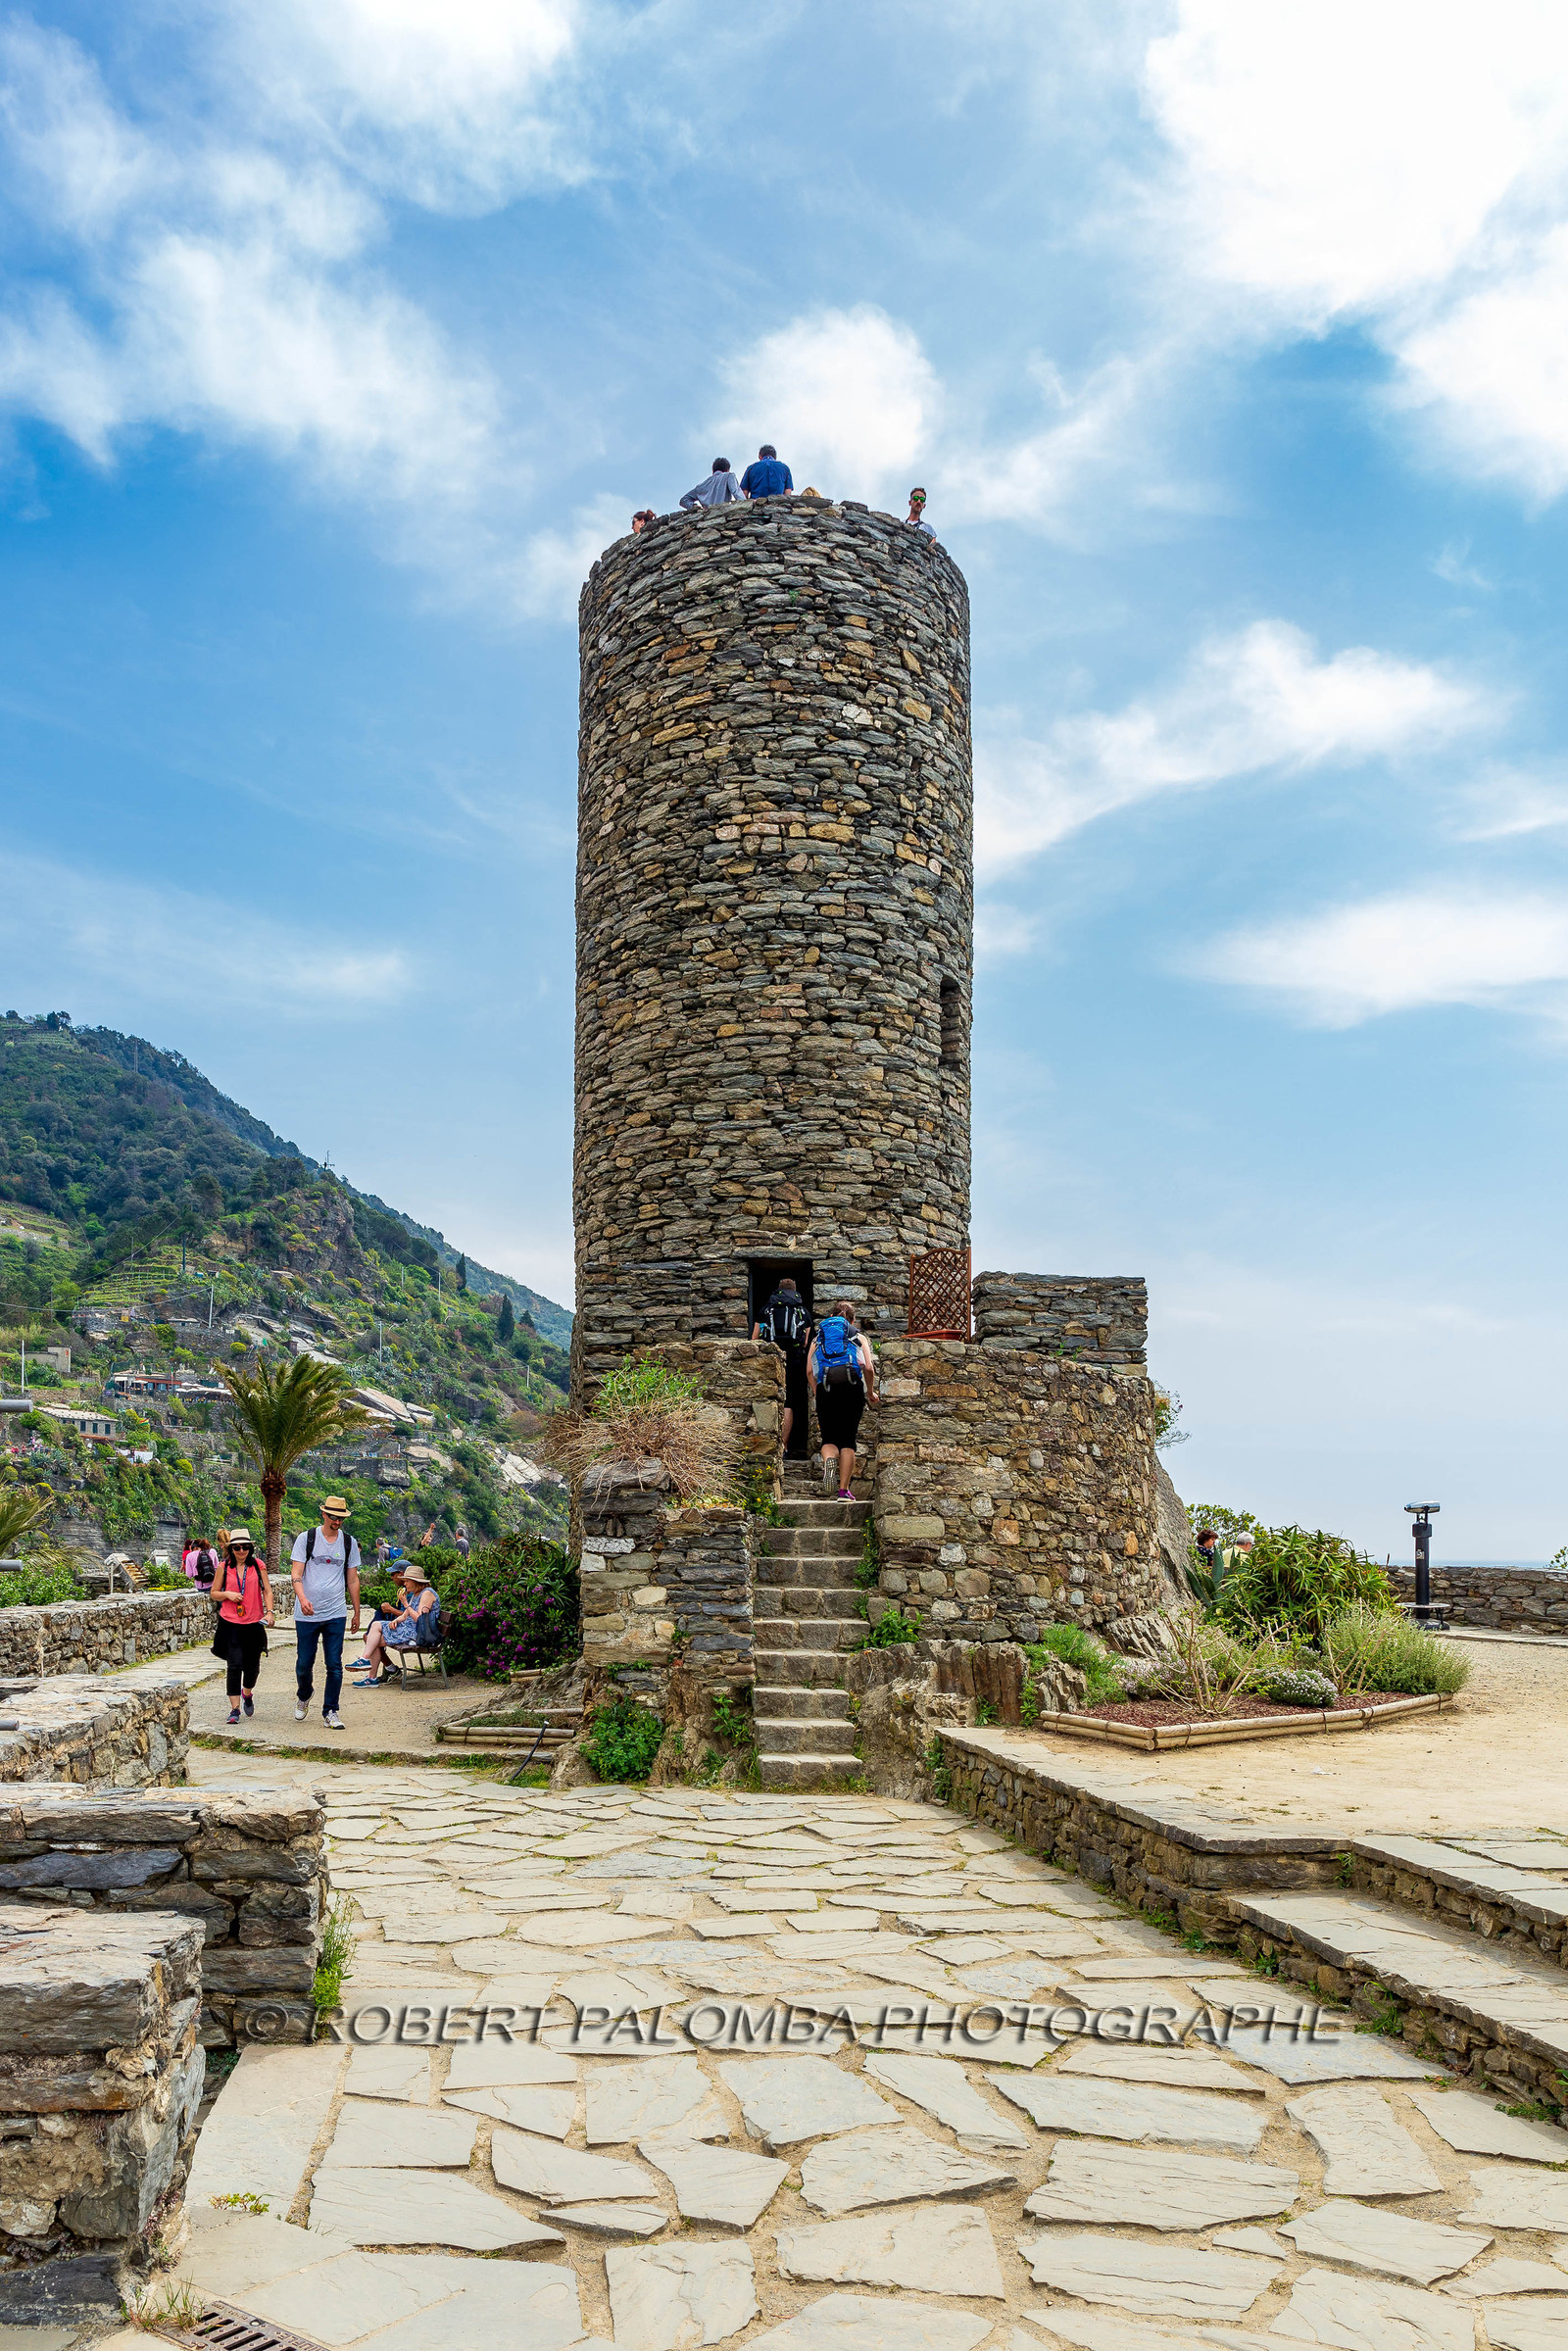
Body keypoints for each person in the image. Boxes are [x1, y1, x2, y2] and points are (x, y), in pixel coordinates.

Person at [290, 1494, 362, 1732]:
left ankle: (331, 1710)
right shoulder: (306, 1538)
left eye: (341, 1518)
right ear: (324, 1514)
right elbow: (296, 1574)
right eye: (333, 1517)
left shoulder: (348, 1542)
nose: (337, 1522)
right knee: (304, 1663)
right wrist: (302, 1598)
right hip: (307, 1613)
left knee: (334, 1664)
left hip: (335, 1612)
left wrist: (356, 1612)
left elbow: (352, 1579)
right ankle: (304, 1693)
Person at [808, 1300, 878, 1500]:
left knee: (829, 1438)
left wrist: (817, 1392)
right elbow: (869, 1369)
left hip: (825, 1389)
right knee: (848, 1439)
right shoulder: (858, 1336)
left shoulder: (817, 1339)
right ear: (852, 1320)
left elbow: (809, 1371)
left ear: (832, 1317)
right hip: (852, 1389)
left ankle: (830, 1460)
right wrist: (870, 1392)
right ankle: (843, 1491)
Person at [213, 1527, 270, 1725]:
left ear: (250, 1548)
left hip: (253, 1623)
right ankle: (234, 1709)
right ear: (231, 1549)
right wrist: (227, 1594)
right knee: (234, 1665)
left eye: (245, 1547)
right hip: (231, 1623)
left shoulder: (258, 1566)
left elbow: (267, 1591)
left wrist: (269, 1612)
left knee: (252, 1667)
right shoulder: (223, 1567)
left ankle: (247, 1693)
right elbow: (214, 1593)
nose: (241, 1551)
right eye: (237, 1548)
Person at [352, 1564, 441, 1685]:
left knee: (371, 1640)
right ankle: (365, 1660)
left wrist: (405, 1604)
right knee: (376, 1625)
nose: (405, 1584)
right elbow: (405, 1615)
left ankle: (371, 1676)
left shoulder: (427, 1593)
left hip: (415, 1633)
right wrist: (396, 1620)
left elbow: (420, 1620)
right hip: (407, 1628)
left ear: (415, 1581)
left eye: (407, 1581)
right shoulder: (416, 1594)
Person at [753, 1278, 811, 1460]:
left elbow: (754, 1339)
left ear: (778, 1290)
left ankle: (766, 1445)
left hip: (769, 1359)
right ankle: (784, 1447)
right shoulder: (803, 1311)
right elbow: (805, 1342)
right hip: (794, 1360)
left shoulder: (765, 1310)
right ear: (795, 1291)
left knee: (767, 1399)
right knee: (789, 1403)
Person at [679, 460, 744, 510]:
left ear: (713, 471)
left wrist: (694, 506)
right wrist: (747, 506)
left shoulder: (700, 486)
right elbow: (737, 493)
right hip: (723, 514)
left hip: (707, 519)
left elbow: (684, 500)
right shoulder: (729, 476)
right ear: (727, 470)